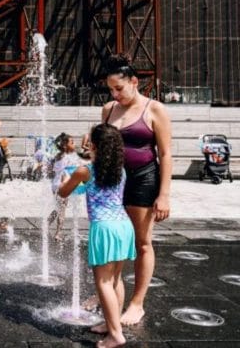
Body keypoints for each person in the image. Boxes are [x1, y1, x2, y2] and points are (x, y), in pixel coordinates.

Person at [101, 54, 172, 325]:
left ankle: (137, 303)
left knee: (142, 242)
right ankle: (109, 295)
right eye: (110, 89)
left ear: (134, 81)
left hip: (143, 179)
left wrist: (164, 194)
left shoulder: (154, 109)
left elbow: (165, 154)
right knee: (115, 241)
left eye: (119, 88)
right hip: (113, 183)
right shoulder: (108, 109)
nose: (114, 94)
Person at [59, 123, 136, 348]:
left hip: (104, 229)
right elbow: (95, 191)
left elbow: (63, 192)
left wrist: (65, 180)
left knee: (103, 282)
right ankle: (110, 323)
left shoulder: (85, 170)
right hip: (123, 226)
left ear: (93, 145)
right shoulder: (120, 170)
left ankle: (115, 334)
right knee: (115, 280)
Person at [49, 132, 82, 241]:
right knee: (62, 210)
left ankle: (47, 224)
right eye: (72, 142)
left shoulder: (58, 156)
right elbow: (66, 172)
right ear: (64, 145)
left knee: (58, 208)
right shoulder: (67, 157)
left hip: (55, 185)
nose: (74, 144)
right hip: (63, 185)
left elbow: (53, 170)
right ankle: (58, 233)